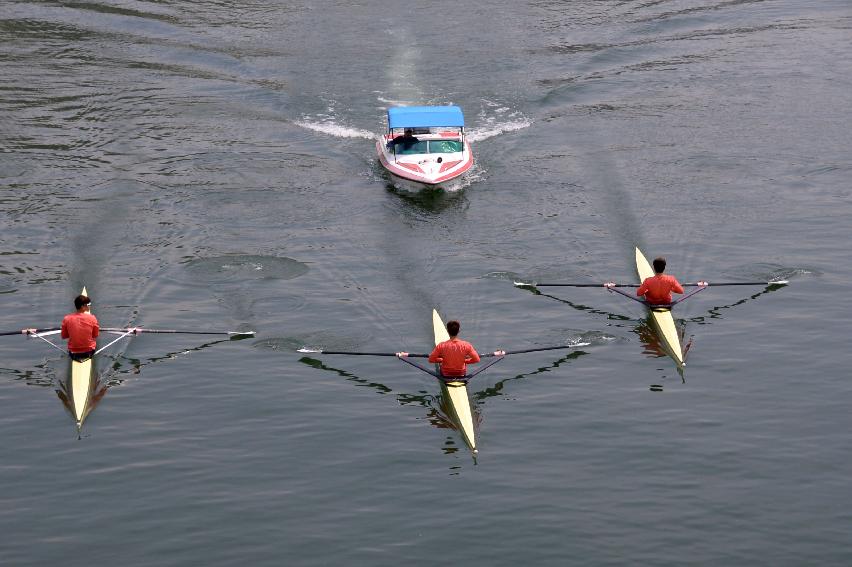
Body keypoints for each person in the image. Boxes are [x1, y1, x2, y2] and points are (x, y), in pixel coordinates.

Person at [61, 294, 99, 361]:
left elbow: (64, 336)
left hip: (73, 353)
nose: (89, 306)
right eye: (88, 305)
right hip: (89, 352)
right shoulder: (92, 318)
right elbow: (95, 335)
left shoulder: (66, 319)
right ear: (83, 306)